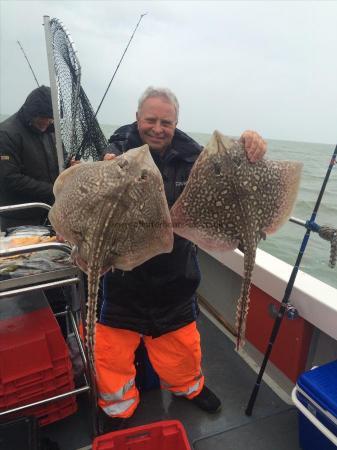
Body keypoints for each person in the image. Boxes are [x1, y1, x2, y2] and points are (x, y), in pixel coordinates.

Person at [95, 86, 267, 430]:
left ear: (176, 123)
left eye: (166, 122)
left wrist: (249, 145)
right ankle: (118, 407)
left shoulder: (197, 159)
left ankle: (189, 387)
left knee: (182, 349)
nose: (158, 128)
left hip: (175, 277)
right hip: (122, 278)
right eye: (151, 120)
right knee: (112, 355)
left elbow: (230, 173)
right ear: (137, 118)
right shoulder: (115, 154)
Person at [0, 85, 59, 231]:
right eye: (42, 120)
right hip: (18, 218)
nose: (46, 124)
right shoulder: (6, 134)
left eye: (50, 120)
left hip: (47, 212)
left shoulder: (50, 131)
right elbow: (10, 178)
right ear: (30, 113)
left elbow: (56, 161)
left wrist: (68, 166)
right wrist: (54, 190)